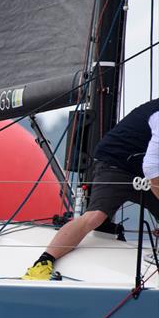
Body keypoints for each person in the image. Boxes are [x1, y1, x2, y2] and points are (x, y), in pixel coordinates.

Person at [23, 99, 159, 280]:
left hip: (143, 169)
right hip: (116, 163)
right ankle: (43, 263)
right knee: (95, 216)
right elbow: (151, 167)